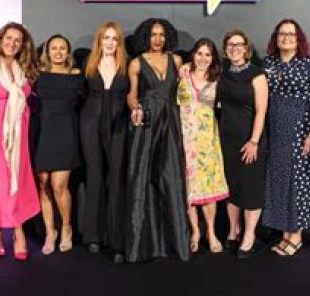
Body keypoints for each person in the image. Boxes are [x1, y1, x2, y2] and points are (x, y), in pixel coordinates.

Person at [125, 18, 190, 262]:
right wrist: (135, 108)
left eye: (162, 34)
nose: (158, 39)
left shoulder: (176, 60)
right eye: (153, 34)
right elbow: (132, 95)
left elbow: (185, 89)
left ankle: (176, 245)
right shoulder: (136, 63)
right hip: (147, 122)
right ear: (146, 37)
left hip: (171, 122)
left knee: (171, 178)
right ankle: (141, 246)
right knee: (143, 178)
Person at [262, 19, 310, 256]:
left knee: (297, 181)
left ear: (299, 39)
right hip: (274, 129)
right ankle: (285, 233)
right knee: (278, 180)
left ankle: (296, 235)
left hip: (300, 129)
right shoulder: (268, 63)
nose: (286, 38)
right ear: (276, 37)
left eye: (291, 34)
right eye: (282, 34)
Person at [0, 22, 40, 260]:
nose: (12, 43)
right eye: (9, 38)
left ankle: (17, 228)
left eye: (18, 40)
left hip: (18, 133)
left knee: (16, 180)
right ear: (0, 39)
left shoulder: (24, 68)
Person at [79, 22, 130, 263]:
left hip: (120, 126)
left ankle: (117, 241)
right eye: (106, 38)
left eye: (114, 38)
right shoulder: (88, 64)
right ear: (99, 41)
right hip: (90, 125)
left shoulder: (128, 65)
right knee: (95, 177)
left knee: (117, 179)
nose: (110, 43)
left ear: (119, 42)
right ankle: (93, 236)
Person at [217, 29, 268, 259]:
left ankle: (248, 236)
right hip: (226, 140)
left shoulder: (257, 74)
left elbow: (261, 111)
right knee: (232, 188)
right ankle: (233, 231)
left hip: (250, 141)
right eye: (230, 45)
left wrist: (254, 141)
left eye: (239, 45)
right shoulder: (222, 72)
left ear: (246, 49)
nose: (234, 48)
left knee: (250, 190)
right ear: (225, 49)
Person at [176, 38, 229, 254]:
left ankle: (211, 232)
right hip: (184, 140)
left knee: (208, 187)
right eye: (199, 53)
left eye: (208, 54)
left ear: (213, 58)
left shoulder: (218, 78)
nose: (203, 58)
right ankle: (195, 231)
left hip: (208, 141)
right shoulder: (182, 74)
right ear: (193, 55)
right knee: (189, 188)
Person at [33, 34, 84, 255]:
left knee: (59, 185)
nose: (58, 52)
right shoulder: (37, 75)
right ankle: (49, 232)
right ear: (47, 51)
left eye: (62, 48)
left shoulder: (76, 76)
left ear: (68, 52)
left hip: (66, 133)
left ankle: (66, 227)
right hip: (43, 133)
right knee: (43, 183)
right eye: (53, 48)